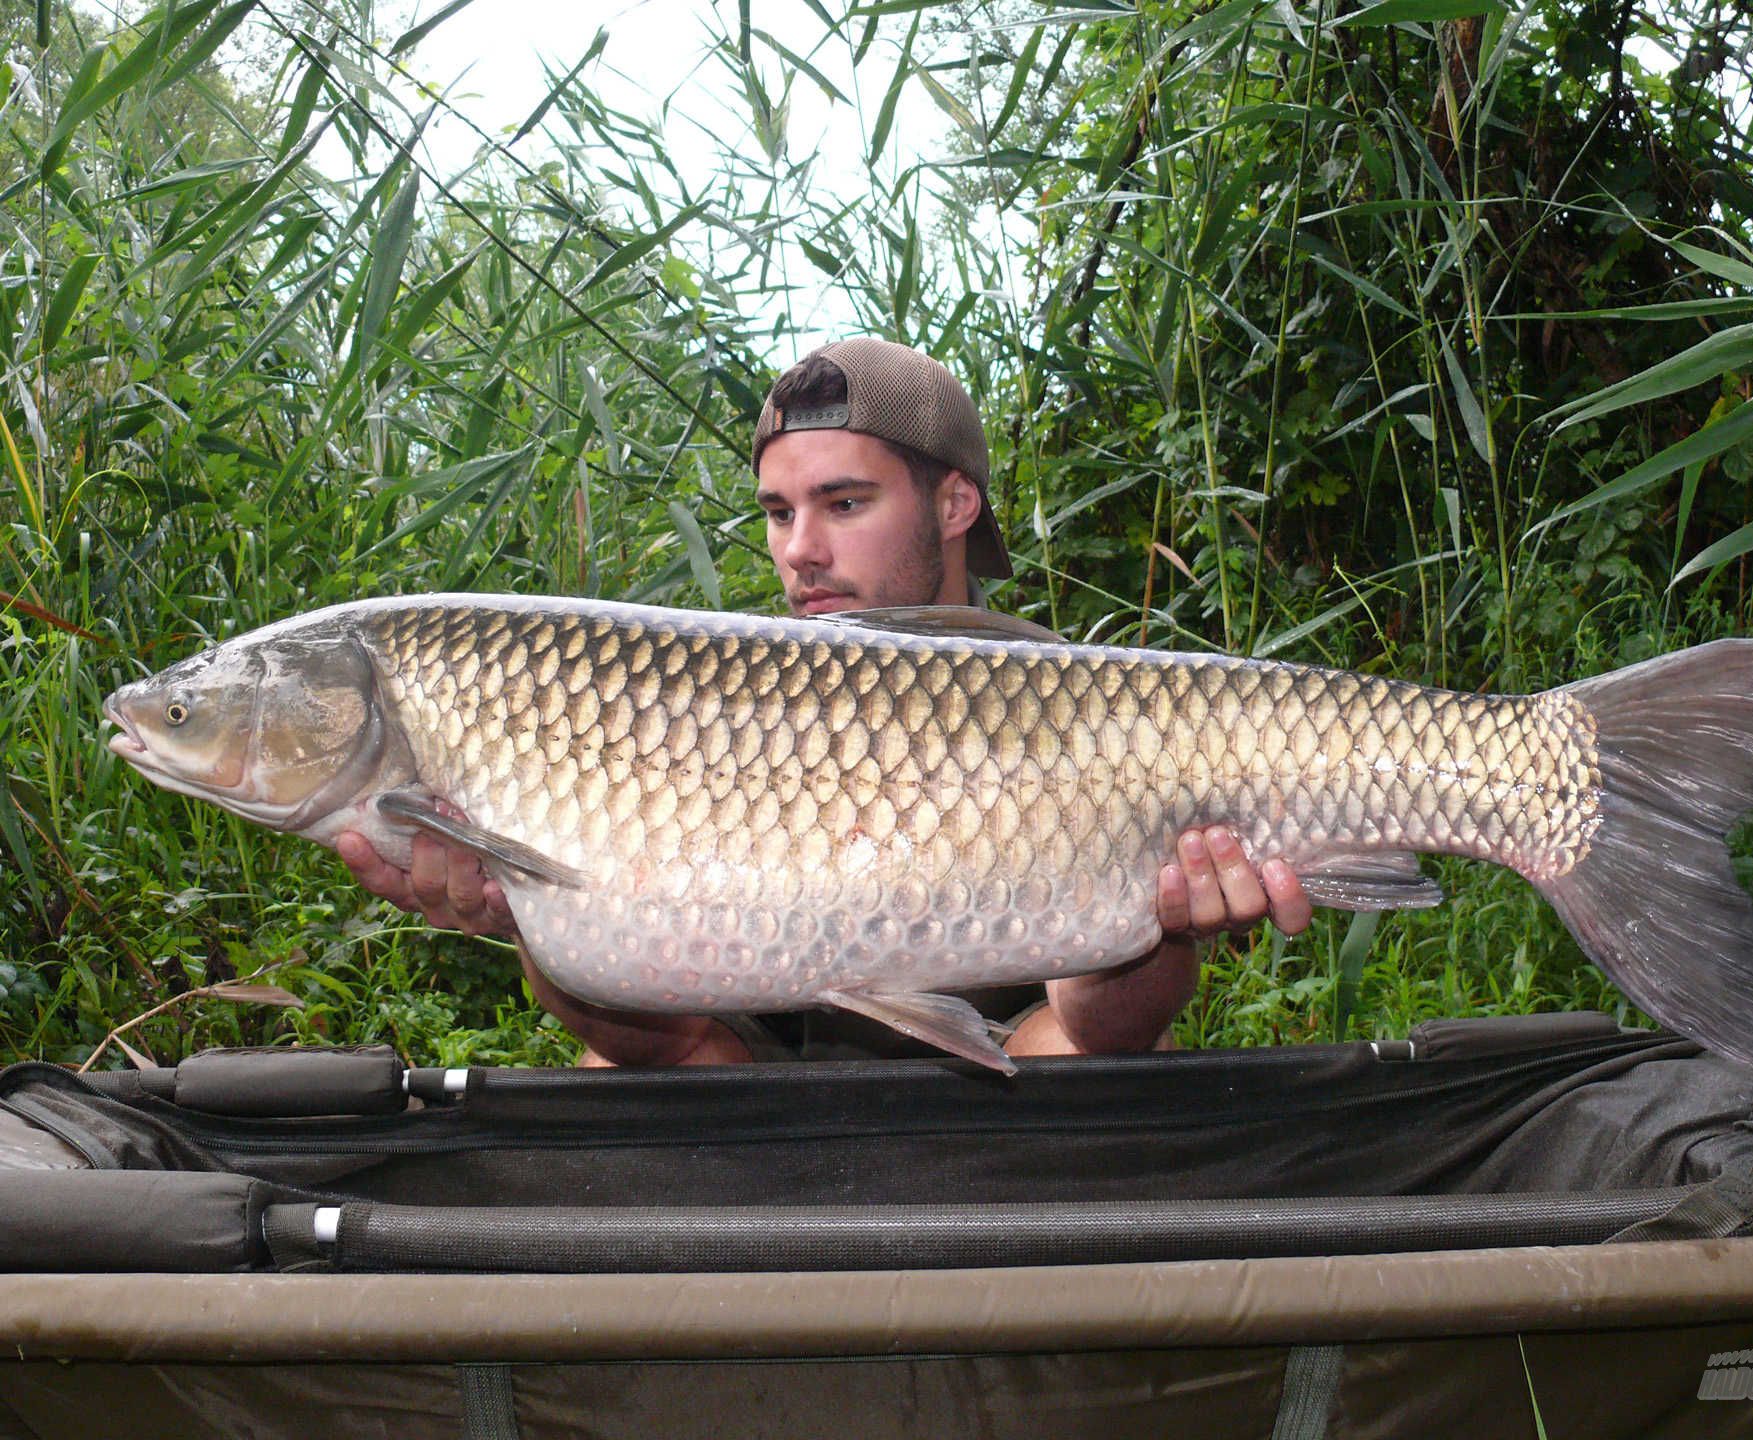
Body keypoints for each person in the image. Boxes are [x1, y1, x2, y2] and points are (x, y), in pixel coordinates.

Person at [336, 338, 1312, 1065]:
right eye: (777, 513)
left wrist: (1168, 923)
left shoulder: (1077, 701)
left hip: (1015, 1087)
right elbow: (669, 1046)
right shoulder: (690, 698)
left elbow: (1103, 1033)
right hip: (773, 1095)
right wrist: (528, 918)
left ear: (954, 505)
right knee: (608, 1073)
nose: (800, 548)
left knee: (1076, 1066)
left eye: (844, 505)